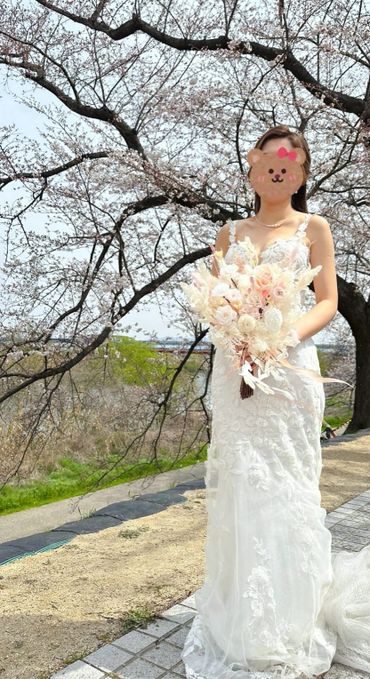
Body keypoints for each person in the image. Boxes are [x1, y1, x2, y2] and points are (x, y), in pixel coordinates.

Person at [181, 125, 370, 679]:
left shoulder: (315, 227)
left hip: (288, 369)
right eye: (267, 163)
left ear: (303, 172)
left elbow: (329, 301)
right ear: (252, 168)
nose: (277, 171)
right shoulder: (229, 232)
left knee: (287, 481)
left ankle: (290, 616)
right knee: (240, 480)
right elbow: (216, 300)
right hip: (235, 372)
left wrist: (279, 337)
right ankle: (238, 613)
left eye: (289, 164)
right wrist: (237, 337)